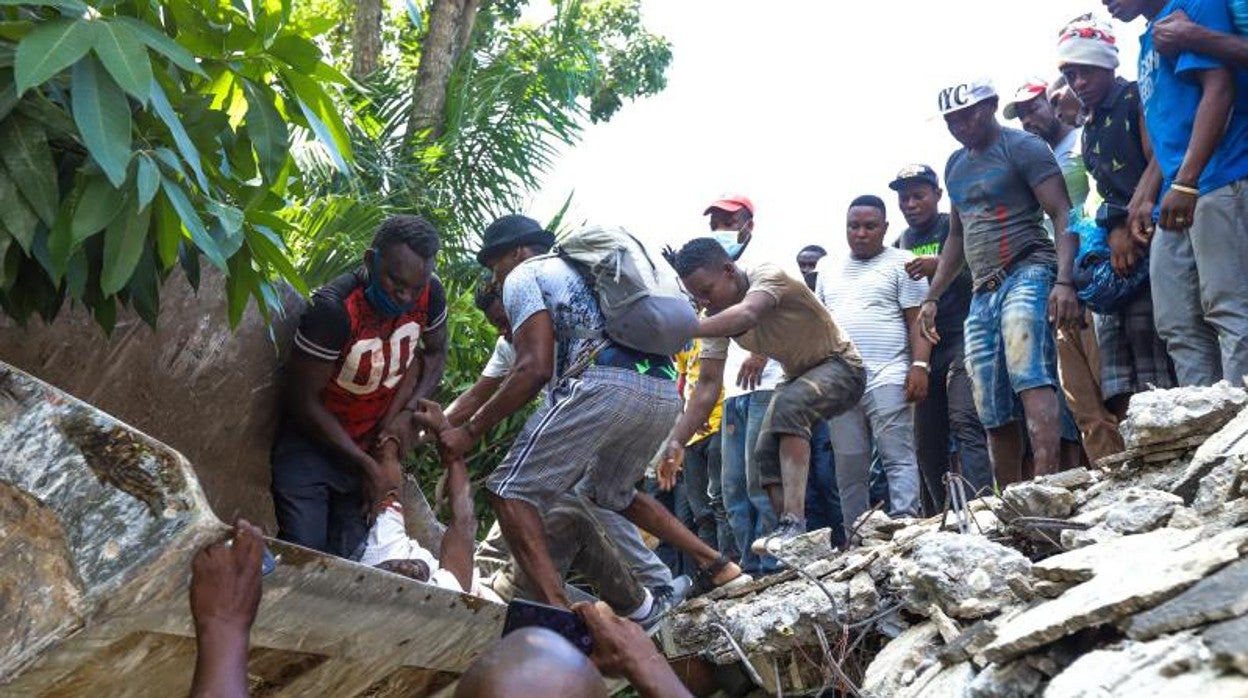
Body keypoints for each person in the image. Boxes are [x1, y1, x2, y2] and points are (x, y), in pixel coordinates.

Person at [437, 214, 748, 609]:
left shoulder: (523, 276)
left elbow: (533, 368)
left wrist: (469, 433)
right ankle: (720, 566)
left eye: (494, 266)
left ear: (516, 253)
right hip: (659, 388)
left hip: (601, 386)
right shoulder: (588, 273)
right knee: (611, 493)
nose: (494, 277)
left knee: (508, 491)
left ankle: (555, 609)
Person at [459, 285, 690, 622]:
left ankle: (652, 590)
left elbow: (539, 376)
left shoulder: (572, 330)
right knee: (540, 499)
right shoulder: (510, 345)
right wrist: (450, 431)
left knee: (589, 497)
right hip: (571, 423)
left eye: (506, 321)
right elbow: (478, 393)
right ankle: (646, 599)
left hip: (594, 415)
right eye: (497, 325)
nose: (505, 332)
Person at [920, 78, 1082, 485]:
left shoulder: (1022, 147)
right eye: (950, 119)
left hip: (1028, 267)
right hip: (982, 288)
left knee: (1030, 373)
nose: (959, 124)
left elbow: (1062, 211)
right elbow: (957, 236)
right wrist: (933, 297)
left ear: (990, 105)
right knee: (987, 396)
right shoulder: (955, 164)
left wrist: (1064, 281)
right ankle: (1008, 496)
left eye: (967, 114)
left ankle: (1046, 481)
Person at [664, 238, 866, 553]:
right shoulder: (716, 314)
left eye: (707, 290)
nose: (704, 302)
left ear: (729, 271)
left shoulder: (767, 275)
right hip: (798, 377)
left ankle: (793, 523)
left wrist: (686, 328)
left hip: (842, 366)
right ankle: (799, 547)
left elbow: (747, 315)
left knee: (788, 406)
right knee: (765, 452)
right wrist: (676, 440)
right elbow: (707, 385)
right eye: (696, 297)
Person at [272, 215, 448, 559]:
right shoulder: (334, 310)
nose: (406, 296)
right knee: (303, 557)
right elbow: (302, 402)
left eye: (416, 287)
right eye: (396, 282)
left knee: (352, 563)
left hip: (367, 450)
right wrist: (370, 468)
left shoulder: (431, 294)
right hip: (312, 448)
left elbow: (437, 352)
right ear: (371, 261)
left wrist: (409, 412)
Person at [1103, 0, 1248, 387]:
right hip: (1177, 191)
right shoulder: (1151, 37)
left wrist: (1187, 181)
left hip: (1218, 179)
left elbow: (1219, 92)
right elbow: (1172, 129)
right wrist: (1145, 193)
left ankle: (1241, 435)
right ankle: (1203, 429)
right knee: (1177, 322)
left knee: (1230, 308)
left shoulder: (1193, 7)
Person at [1056, 17, 1177, 421]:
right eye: (1071, 74)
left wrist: (1128, 224)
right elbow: (1095, 198)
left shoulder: (1132, 97)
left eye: (1085, 70)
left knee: (1151, 346)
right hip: (1114, 245)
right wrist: (1111, 233)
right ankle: (1140, 445)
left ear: (1107, 64)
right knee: (1116, 362)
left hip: (1152, 232)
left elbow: (1157, 158)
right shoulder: (1087, 130)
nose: (1078, 82)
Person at [1003, 77, 1124, 464]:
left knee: (1113, 384)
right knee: (1079, 395)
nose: (1027, 120)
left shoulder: (1082, 139)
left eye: (1033, 108)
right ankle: (1112, 479)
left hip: (1098, 268)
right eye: (1020, 115)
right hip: (1059, 279)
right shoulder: (1032, 159)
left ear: (1054, 106)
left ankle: (1141, 464)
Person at [814, 196, 927, 535]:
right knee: (849, 467)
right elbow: (821, 328)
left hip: (889, 374)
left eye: (870, 226)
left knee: (898, 456)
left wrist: (920, 364)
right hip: (842, 383)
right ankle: (857, 536)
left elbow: (917, 320)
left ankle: (908, 524)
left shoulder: (904, 263)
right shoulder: (828, 270)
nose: (861, 233)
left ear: (885, 229)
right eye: (854, 226)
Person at [889, 164, 993, 512]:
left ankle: (983, 505)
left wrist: (943, 268)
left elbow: (983, 268)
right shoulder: (900, 244)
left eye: (918, 196)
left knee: (965, 419)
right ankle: (939, 515)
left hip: (964, 335)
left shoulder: (953, 227)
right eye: (904, 198)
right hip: (925, 351)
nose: (910, 204)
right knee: (926, 441)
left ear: (937, 195)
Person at [703, 195, 786, 575]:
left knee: (760, 482)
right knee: (732, 488)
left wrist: (763, 351)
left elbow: (795, 311)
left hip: (769, 385)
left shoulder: (767, 260)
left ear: (748, 223)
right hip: (734, 392)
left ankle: (774, 562)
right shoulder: (712, 275)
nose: (721, 228)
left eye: (728, 220)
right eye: (715, 222)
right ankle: (748, 565)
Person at [673, 340, 738, 562]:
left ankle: (732, 561)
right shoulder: (681, 339)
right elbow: (683, 382)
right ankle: (712, 572)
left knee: (721, 500)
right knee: (700, 512)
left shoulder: (714, 327)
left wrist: (702, 410)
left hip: (720, 420)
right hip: (692, 434)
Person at [794, 245, 843, 543]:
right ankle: (817, 546)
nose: (807, 271)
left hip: (832, 404)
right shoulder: (790, 307)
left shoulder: (833, 305)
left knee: (831, 479)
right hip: (802, 408)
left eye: (813, 266)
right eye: (802, 265)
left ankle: (845, 540)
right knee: (806, 484)